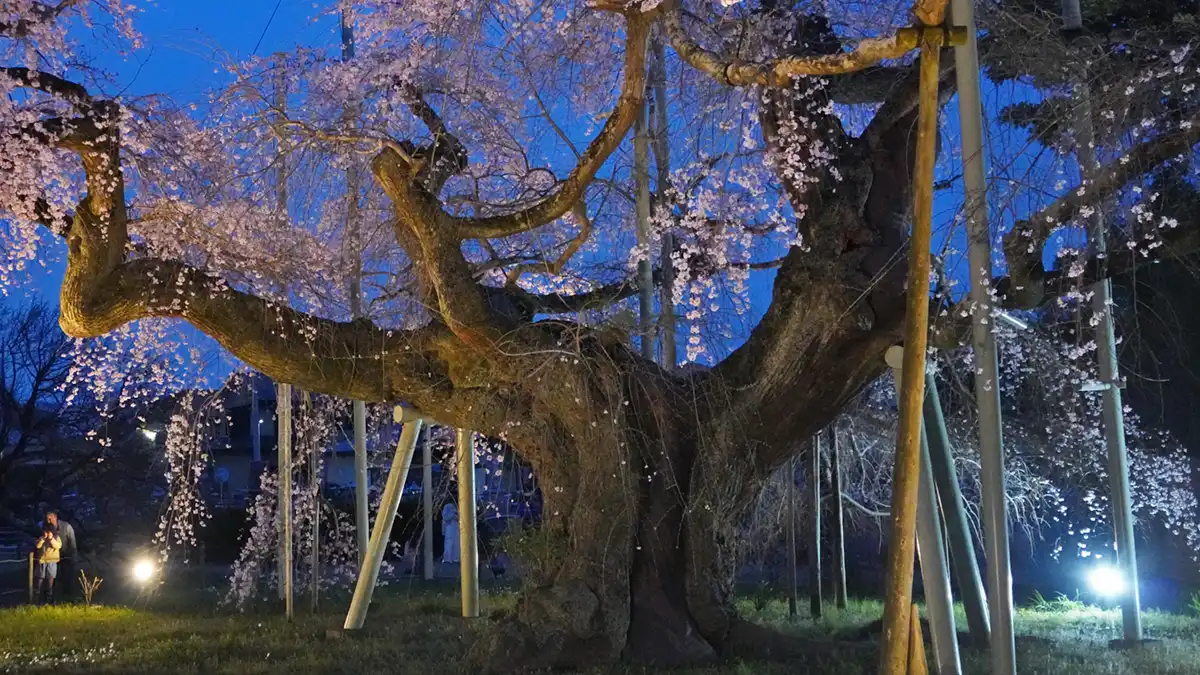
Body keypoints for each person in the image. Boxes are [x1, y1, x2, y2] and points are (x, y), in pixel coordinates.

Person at [45, 511, 76, 600]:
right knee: (52, 578)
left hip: (65, 556)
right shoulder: (46, 527)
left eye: (50, 518)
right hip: (52, 558)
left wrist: (73, 555)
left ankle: (67, 597)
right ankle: (53, 598)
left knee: (66, 577)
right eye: (47, 519)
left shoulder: (66, 527)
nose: (48, 520)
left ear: (55, 517)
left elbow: (72, 542)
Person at [33, 525, 62, 605]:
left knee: (50, 583)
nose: (47, 533)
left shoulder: (56, 538)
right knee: (39, 582)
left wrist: (51, 539)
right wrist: (42, 539)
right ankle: (37, 601)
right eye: (45, 531)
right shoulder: (41, 538)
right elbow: (37, 546)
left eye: (48, 532)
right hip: (42, 562)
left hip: (52, 562)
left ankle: (48, 601)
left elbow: (58, 546)